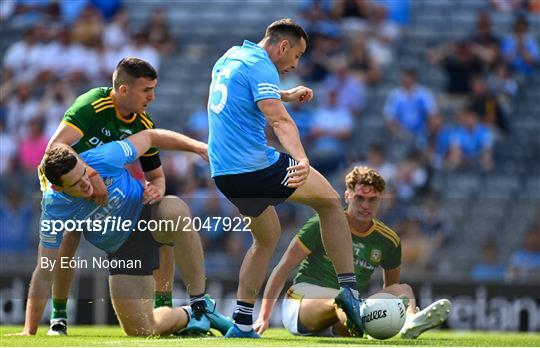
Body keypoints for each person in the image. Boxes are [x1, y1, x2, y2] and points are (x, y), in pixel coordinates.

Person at [38, 57, 222, 336]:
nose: (152, 96)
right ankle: (58, 318)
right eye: (146, 90)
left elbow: (157, 176)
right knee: (68, 237)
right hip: (70, 185)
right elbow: (56, 147)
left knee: (164, 210)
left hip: (122, 208)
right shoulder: (93, 105)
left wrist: (156, 189)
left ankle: (181, 306)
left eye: (154, 89)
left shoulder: (142, 124)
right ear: (123, 90)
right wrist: (91, 176)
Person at [207, 18, 364, 338]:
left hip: (224, 173)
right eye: (297, 55)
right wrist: (303, 159)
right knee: (331, 203)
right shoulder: (262, 65)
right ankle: (350, 290)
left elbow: (247, 91)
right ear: (282, 46)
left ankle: (240, 322)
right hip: (255, 168)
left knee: (266, 237)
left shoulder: (231, 57)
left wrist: (285, 94)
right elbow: (278, 120)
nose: (296, 62)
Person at [14, 128, 230, 336]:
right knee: (142, 330)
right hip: (124, 252)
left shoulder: (103, 157)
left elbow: (150, 136)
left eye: (84, 174)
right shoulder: (54, 208)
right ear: (58, 188)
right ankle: (195, 314)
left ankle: (199, 301)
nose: (87, 184)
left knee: (176, 210)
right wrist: (29, 330)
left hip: (147, 213)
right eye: (77, 184)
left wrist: (199, 147)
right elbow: (44, 272)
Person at [255, 167, 451, 338]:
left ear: (381, 200)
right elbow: (283, 268)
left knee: (403, 290)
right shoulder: (322, 223)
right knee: (344, 298)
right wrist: (264, 317)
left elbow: (390, 289)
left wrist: (390, 310)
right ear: (348, 196)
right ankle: (356, 309)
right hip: (302, 304)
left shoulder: (388, 240)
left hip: (349, 312)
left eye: (372, 200)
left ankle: (409, 321)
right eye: (359, 198)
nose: (365, 206)